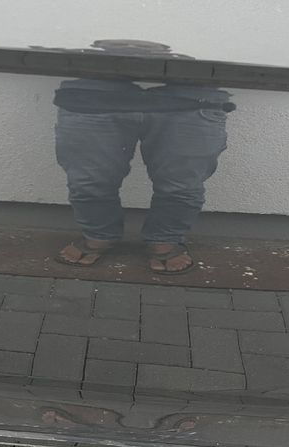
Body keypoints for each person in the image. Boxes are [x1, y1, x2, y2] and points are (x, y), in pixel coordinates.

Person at [49, 40, 232, 274]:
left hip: (194, 91)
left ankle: (163, 239)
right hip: (95, 86)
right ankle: (100, 235)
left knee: (182, 185)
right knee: (88, 181)